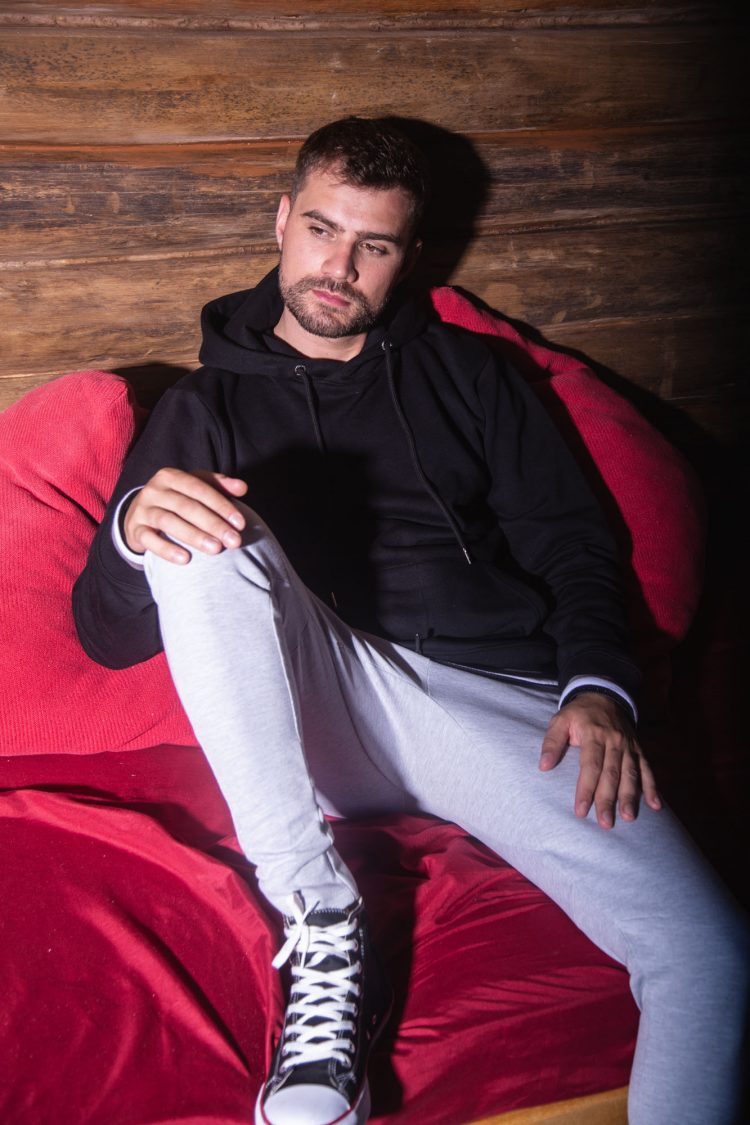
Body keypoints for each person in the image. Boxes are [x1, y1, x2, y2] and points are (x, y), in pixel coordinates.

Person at [73, 117, 747, 1125]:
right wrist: (134, 529)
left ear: (410, 257)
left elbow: (573, 544)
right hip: (326, 706)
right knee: (201, 525)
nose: (338, 267)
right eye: (321, 230)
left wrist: (601, 686)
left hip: (500, 706)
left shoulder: (474, 374)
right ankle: (319, 914)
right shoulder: (204, 408)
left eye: (373, 245)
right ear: (283, 220)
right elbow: (103, 631)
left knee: (710, 956)